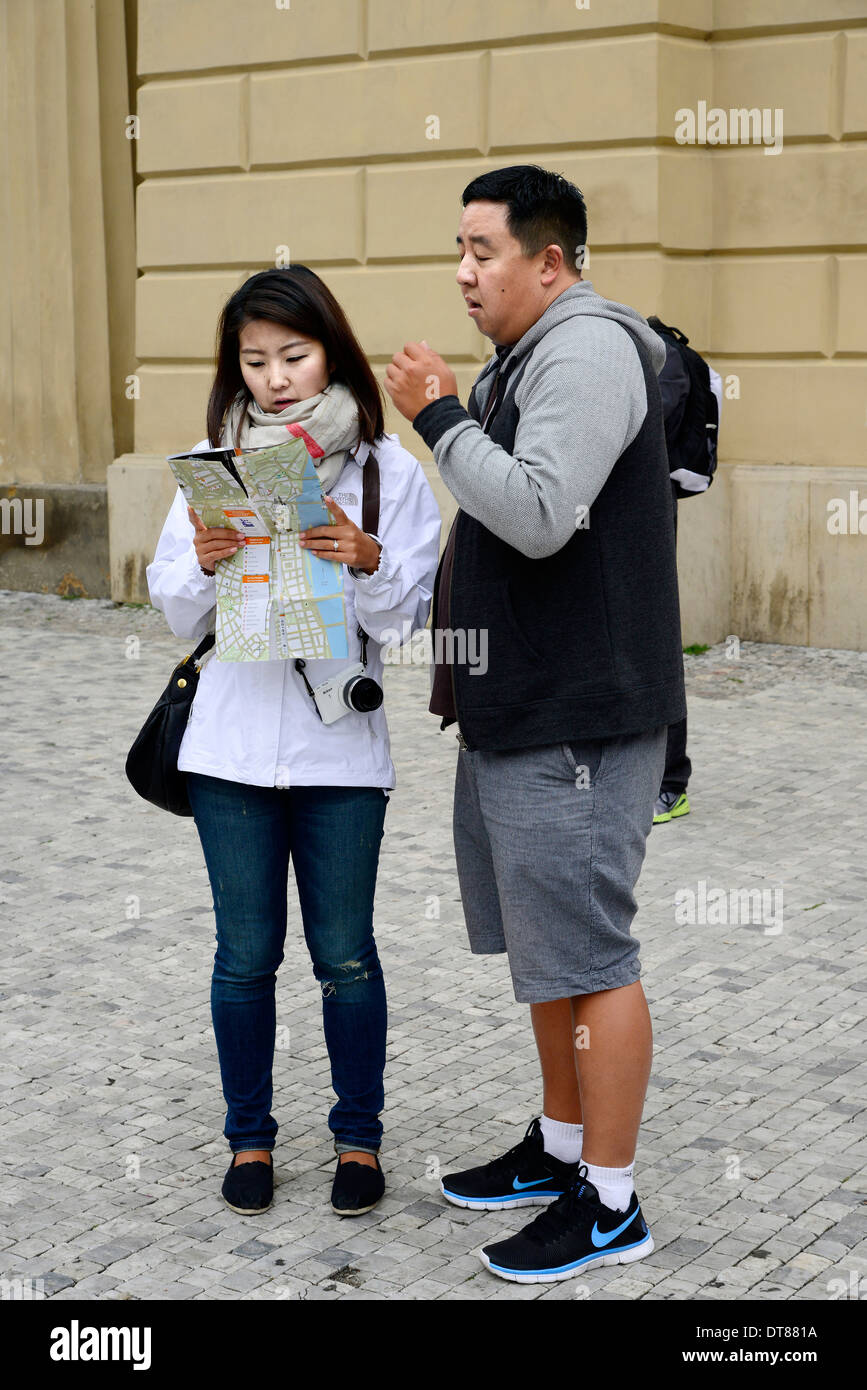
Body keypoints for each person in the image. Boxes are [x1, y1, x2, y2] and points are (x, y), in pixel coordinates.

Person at [385, 165, 685, 1283]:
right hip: (523, 709)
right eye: (457, 249)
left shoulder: (589, 349)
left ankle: (610, 1201)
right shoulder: (533, 352)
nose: (463, 272)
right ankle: (561, 1146)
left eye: (484, 252)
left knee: (593, 953)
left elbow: (540, 512)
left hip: (582, 717)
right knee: (547, 949)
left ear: (549, 262)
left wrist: (438, 416)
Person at [147, 266, 441, 1218]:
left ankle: (358, 1140)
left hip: (338, 751)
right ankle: (250, 1141)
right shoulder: (211, 459)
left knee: (346, 954)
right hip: (230, 751)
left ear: (330, 351)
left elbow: (403, 624)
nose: (275, 378)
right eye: (255, 360)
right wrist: (200, 561)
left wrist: (369, 560)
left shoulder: (385, 471)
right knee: (243, 956)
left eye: (294, 356)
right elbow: (171, 607)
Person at [650, 321, 723, 826]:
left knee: (656, 640)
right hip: (636, 512)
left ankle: (671, 784)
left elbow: (651, 432)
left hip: (648, 511)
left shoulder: (653, 355)